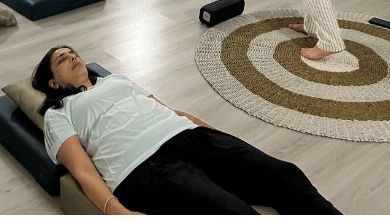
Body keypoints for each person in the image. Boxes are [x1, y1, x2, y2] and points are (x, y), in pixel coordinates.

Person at [32, 46, 341, 215]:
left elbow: (170, 110)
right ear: (53, 83)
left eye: (73, 53)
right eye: (62, 59)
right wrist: (118, 212)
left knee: (284, 175)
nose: (73, 57)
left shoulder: (117, 80)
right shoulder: (59, 113)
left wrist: (220, 138)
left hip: (188, 135)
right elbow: (82, 170)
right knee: (232, 211)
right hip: (143, 166)